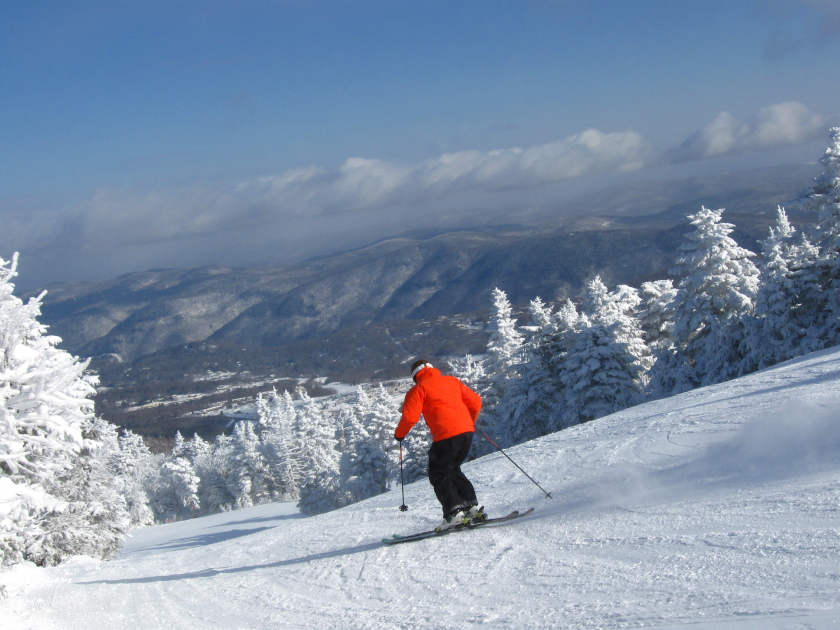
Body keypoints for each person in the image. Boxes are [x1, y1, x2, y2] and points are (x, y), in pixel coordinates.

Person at [394, 359, 487, 531]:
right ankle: (471, 508)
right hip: (466, 433)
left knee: (438, 473)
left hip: (446, 435)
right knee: (452, 469)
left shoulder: (419, 389)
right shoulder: (452, 381)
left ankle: (454, 513)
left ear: (415, 376)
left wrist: (399, 435)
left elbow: (409, 418)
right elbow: (475, 402)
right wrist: (469, 422)